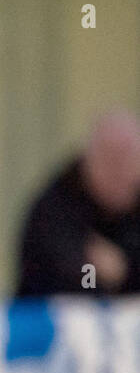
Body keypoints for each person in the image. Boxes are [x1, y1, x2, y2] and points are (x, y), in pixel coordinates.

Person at [17, 109, 140, 296]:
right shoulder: (55, 207)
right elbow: (58, 277)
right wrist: (97, 273)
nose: (119, 172)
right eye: (110, 159)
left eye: (127, 158)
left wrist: (125, 272)